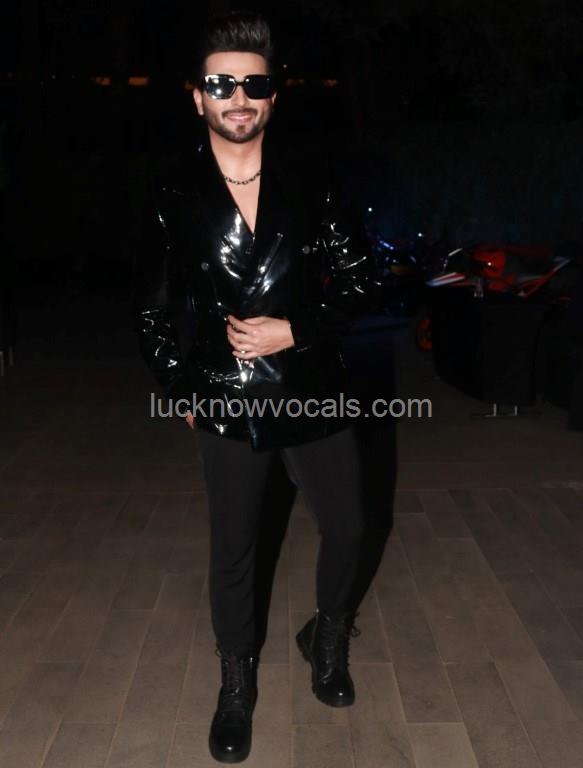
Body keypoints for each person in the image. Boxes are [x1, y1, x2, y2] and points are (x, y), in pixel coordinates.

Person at [134, 10, 378, 763]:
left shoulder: (313, 178)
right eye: (221, 85)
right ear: (196, 96)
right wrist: (180, 389)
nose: (238, 98)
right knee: (234, 549)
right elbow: (151, 307)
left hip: (312, 384)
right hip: (223, 392)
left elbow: (364, 280)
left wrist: (295, 329)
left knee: (350, 527)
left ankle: (326, 636)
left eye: (254, 84)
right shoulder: (171, 190)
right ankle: (235, 683)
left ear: (274, 94)